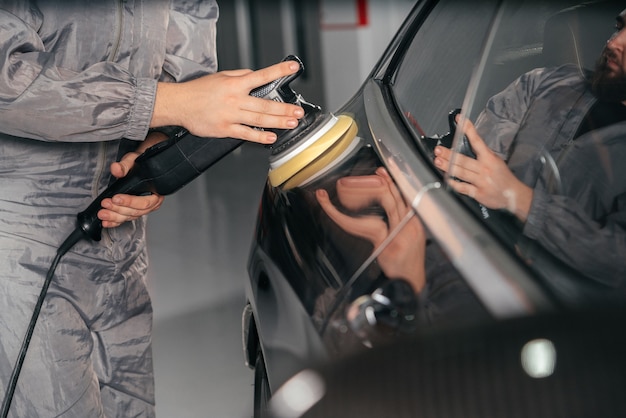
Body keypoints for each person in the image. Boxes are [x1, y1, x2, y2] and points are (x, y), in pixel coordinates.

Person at [0, 1, 304, 417]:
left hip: (121, 235)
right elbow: (6, 80)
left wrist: (158, 139)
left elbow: (189, 20)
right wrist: (167, 103)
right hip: (17, 241)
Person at [433, 7, 626, 286]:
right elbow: (478, 160)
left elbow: (617, 258)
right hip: (468, 247)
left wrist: (520, 200)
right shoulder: (547, 83)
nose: (613, 43)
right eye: (618, 27)